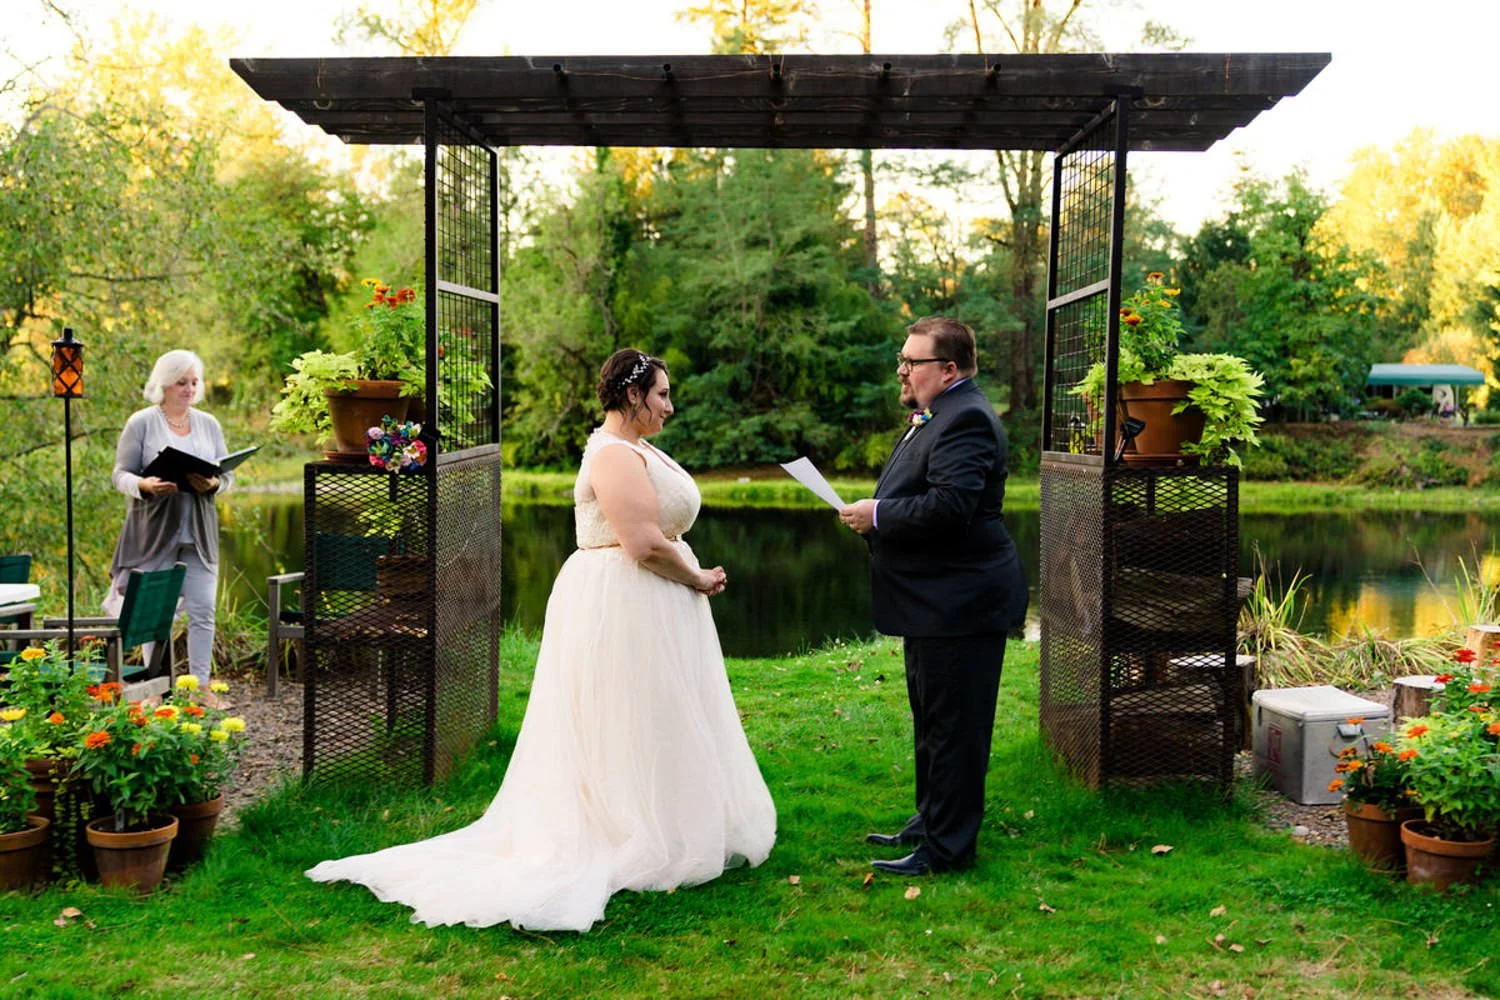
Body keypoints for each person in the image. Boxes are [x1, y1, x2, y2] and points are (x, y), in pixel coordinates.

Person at [308, 349, 776, 931]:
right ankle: (630, 828)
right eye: (661, 395)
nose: (670, 406)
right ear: (632, 396)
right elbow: (641, 544)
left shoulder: (639, 447)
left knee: (660, 711)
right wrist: (698, 577)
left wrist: (690, 575)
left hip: (656, 601)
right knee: (626, 713)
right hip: (625, 600)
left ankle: (674, 819)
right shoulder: (613, 455)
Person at [839, 316, 1027, 876]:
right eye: (902, 359)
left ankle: (948, 850)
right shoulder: (938, 411)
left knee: (955, 730)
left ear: (947, 369)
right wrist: (878, 513)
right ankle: (931, 821)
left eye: (911, 362)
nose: (902, 370)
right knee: (932, 721)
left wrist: (879, 514)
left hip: (962, 602)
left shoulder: (967, 418)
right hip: (934, 600)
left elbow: (950, 507)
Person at [107, 349, 230, 687]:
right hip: (154, 534)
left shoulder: (208, 424)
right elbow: (120, 475)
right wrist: (145, 485)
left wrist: (214, 484)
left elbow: (226, 474)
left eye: (194, 382)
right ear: (164, 383)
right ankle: (154, 690)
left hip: (199, 536)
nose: (189, 389)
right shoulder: (141, 423)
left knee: (203, 612)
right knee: (153, 615)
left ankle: (200, 689)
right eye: (181, 382)